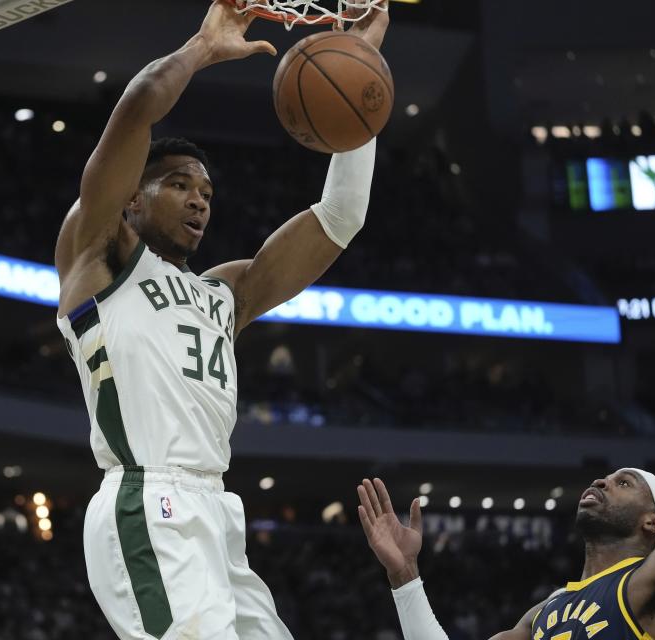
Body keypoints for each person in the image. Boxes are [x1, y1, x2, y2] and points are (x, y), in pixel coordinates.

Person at [53, 2, 389, 638]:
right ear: (130, 199)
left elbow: (340, 218)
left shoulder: (223, 293)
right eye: (180, 184)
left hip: (216, 511)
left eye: (206, 193)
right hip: (147, 501)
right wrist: (202, 48)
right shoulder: (96, 258)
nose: (199, 199)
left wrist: (365, 64)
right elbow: (140, 106)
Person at [357, 370, 655, 639]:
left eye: (624, 482)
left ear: (653, 523)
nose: (602, 480)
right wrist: (405, 576)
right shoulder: (541, 615)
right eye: (606, 477)